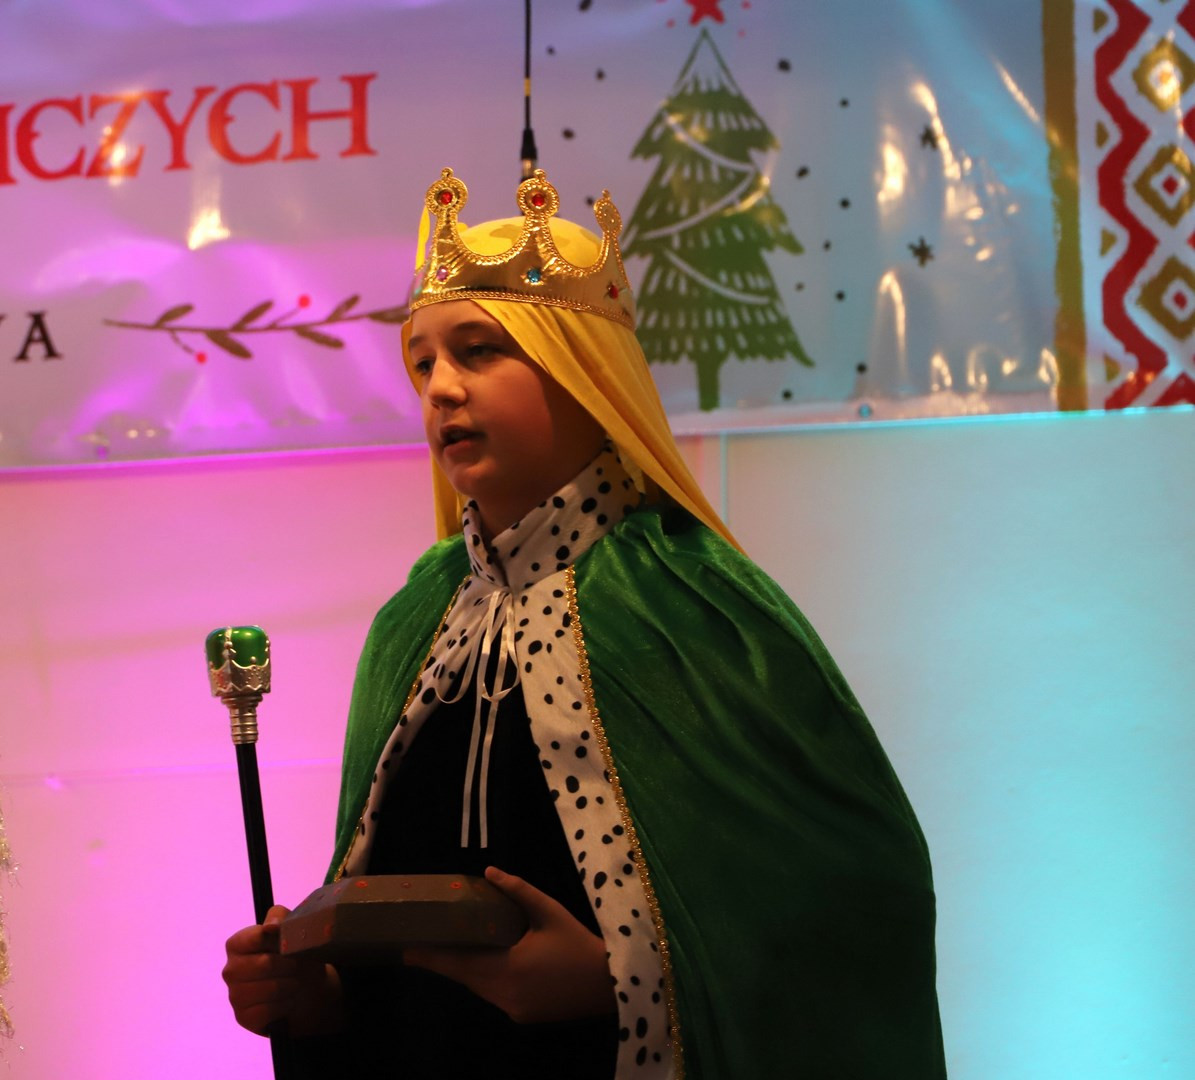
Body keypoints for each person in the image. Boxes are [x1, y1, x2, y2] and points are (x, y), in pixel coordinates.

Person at [223, 167, 947, 1078]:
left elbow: (858, 915)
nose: (440, 389)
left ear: (583, 371)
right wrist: (314, 997)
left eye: (479, 350)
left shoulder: (698, 608)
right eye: (422, 363)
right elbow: (382, 936)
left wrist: (626, 984)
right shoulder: (415, 621)